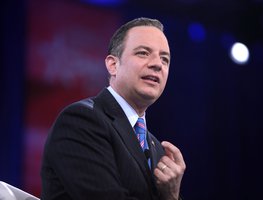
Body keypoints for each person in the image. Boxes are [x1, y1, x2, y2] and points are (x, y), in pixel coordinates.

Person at [41, 17, 186, 200]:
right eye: (143, 53)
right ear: (113, 65)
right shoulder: (82, 120)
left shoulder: (157, 149)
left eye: (164, 59)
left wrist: (171, 195)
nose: (157, 64)